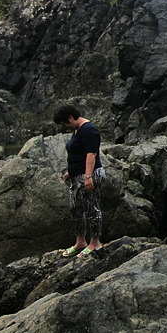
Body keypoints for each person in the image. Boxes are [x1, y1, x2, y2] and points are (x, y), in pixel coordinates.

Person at [53, 105, 106, 258]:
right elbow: (78, 154)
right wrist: (71, 172)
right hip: (77, 175)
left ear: (71, 117)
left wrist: (88, 177)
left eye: (64, 124)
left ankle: (95, 243)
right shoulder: (77, 130)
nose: (64, 127)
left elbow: (91, 155)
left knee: (91, 209)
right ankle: (80, 242)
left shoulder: (89, 130)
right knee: (75, 208)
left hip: (90, 175)